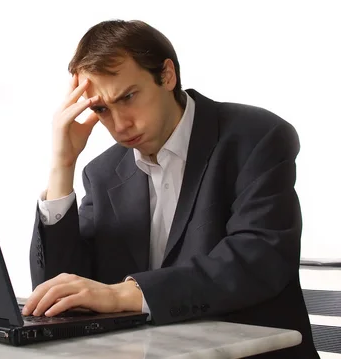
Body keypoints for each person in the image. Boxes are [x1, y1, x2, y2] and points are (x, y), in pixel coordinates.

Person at [22, 20, 318, 358]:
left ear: (166, 75)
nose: (119, 125)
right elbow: (56, 292)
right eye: (102, 109)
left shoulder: (256, 137)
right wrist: (63, 165)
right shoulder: (103, 172)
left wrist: (123, 295)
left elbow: (258, 260)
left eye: (128, 97)